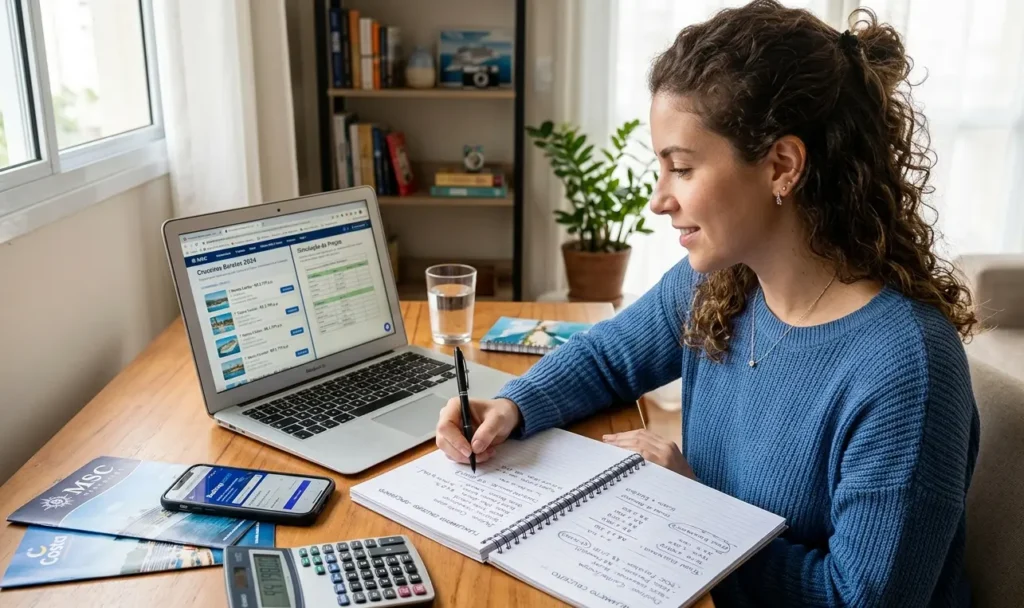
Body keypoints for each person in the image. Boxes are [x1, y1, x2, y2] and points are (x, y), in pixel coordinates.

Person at [435, 1, 980, 605]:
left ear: (782, 166)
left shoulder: (904, 370)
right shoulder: (723, 282)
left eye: (683, 168)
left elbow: (857, 600)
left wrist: (691, 511)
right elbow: (607, 357)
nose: (659, 199)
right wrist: (512, 406)